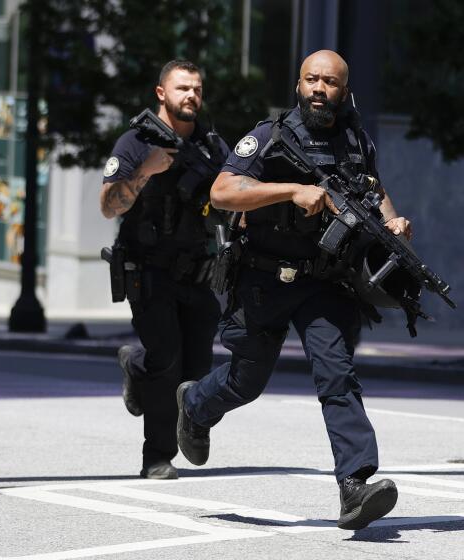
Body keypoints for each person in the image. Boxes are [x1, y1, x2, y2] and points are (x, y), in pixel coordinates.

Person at [175, 50, 412, 530]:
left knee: (337, 375)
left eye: (329, 82)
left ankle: (355, 486)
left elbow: (374, 188)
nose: (319, 89)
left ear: (344, 91)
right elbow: (221, 192)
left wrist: (393, 222)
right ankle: (195, 405)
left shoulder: (355, 141)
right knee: (247, 380)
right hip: (263, 278)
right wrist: (289, 191)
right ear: (298, 86)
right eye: (311, 80)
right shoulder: (270, 137)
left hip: (324, 281)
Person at [99, 60, 229, 480]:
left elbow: (235, 191)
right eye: (181, 88)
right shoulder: (137, 141)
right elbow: (107, 205)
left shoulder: (210, 145)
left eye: (196, 88)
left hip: (197, 270)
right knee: (167, 357)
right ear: (161, 93)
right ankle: (156, 455)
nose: (190, 95)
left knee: (196, 367)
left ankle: (136, 366)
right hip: (149, 269)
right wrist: (145, 171)